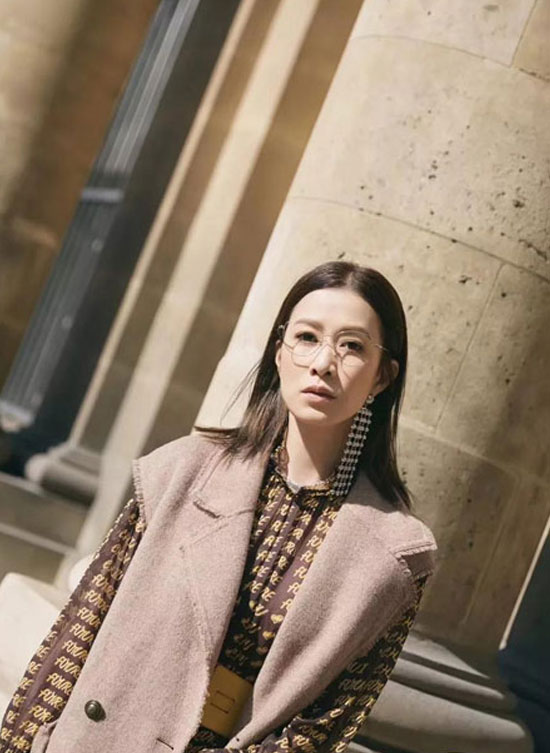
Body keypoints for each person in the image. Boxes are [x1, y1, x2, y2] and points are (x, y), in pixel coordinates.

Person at [1, 261, 437, 753]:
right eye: (307, 337)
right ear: (279, 353)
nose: (322, 362)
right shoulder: (182, 471)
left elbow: (328, 723)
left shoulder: (393, 557)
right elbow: (79, 630)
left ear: (382, 376)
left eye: (352, 346)